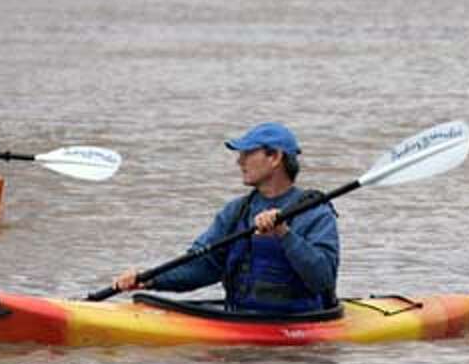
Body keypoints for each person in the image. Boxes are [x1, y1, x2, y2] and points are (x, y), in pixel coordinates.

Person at [114, 122, 339, 314]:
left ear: (274, 157)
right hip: (240, 318)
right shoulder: (236, 212)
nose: (239, 162)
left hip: (298, 326)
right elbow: (203, 266)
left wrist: (284, 234)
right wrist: (150, 279)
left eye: (247, 153)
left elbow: (323, 279)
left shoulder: (315, 212)